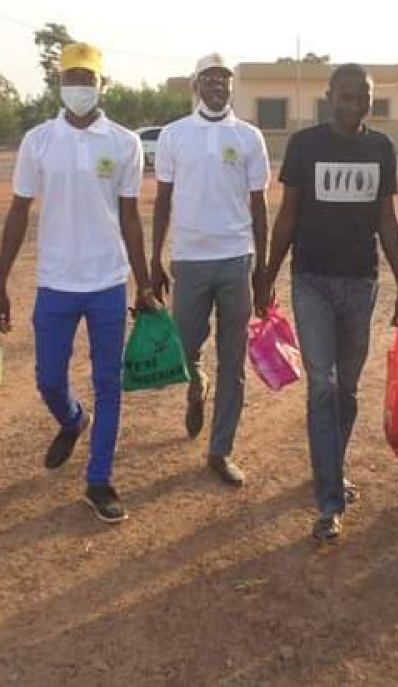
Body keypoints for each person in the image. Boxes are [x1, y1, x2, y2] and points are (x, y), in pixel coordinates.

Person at [0, 42, 156, 524]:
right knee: (47, 378)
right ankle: (71, 419)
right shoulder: (38, 140)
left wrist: (142, 283)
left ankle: (99, 478)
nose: (80, 87)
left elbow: (130, 215)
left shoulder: (123, 142)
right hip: (56, 282)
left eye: (88, 79)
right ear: (60, 84)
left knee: (109, 383)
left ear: (103, 84)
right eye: (72, 78)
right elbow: (19, 209)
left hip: (107, 280)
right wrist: (0, 281)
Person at [255, 63, 398, 543]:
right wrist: (266, 273)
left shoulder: (381, 148)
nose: (353, 103)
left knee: (347, 389)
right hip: (312, 281)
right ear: (329, 97)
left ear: (370, 98)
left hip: (361, 283)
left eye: (361, 95)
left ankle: (331, 467)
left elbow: (387, 219)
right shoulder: (306, 146)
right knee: (321, 383)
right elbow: (288, 216)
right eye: (344, 95)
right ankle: (329, 501)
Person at [150, 53, 270, 486]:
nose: (217, 85)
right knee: (185, 344)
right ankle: (195, 379)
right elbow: (162, 200)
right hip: (189, 259)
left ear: (231, 85)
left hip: (236, 258)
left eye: (224, 78)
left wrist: (264, 268)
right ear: (195, 86)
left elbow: (260, 204)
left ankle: (221, 450)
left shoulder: (249, 136)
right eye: (209, 78)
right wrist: (154, 259)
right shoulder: (174, 136)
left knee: (233, 360)